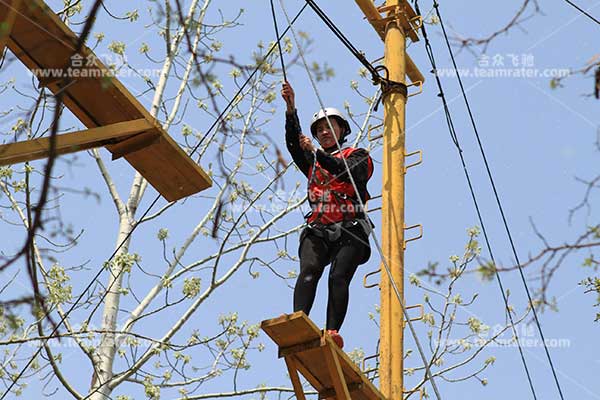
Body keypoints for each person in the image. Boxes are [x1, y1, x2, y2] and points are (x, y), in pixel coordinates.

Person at [281, 81, 374, 348]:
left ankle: (331, 330)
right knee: (309, 269)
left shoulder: (358, 156)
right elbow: (294, 144)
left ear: (341, 129)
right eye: (319, 129)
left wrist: (316, 153)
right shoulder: (312, 160)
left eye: (329, 126)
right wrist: (291, 110)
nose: (324, 132)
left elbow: (345, 171)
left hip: (350, 227)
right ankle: (300, 319)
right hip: (319, 226)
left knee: (338, 276)